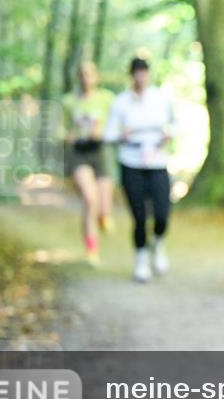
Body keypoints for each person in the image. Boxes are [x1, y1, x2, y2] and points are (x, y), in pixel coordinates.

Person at [104, 57, 176, 283]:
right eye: (136, 73)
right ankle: (141, 260)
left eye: (143, 72)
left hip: (157, 161)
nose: (140, 77)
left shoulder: (161, 98)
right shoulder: (121, 102)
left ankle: (158, 241)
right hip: (131, 162)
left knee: (162, 213)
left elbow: (176, 124)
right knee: (139, 216)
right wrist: (121, 135)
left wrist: (169, 133)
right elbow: (109, 134)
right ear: (131, 75)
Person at [62, 62, 116, 264]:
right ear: (78, 77)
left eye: (89, 74)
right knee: (89, 199)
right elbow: (60, 129)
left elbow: (116, 123)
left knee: (103, 209)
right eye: (82, 74)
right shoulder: (68, 102)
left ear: (96, 77)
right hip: (79, 154)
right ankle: (92, 251)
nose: (86, 78)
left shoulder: (107, 99)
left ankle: (104, 217)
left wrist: (102, 132)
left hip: (100, 152)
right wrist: (69, 136)